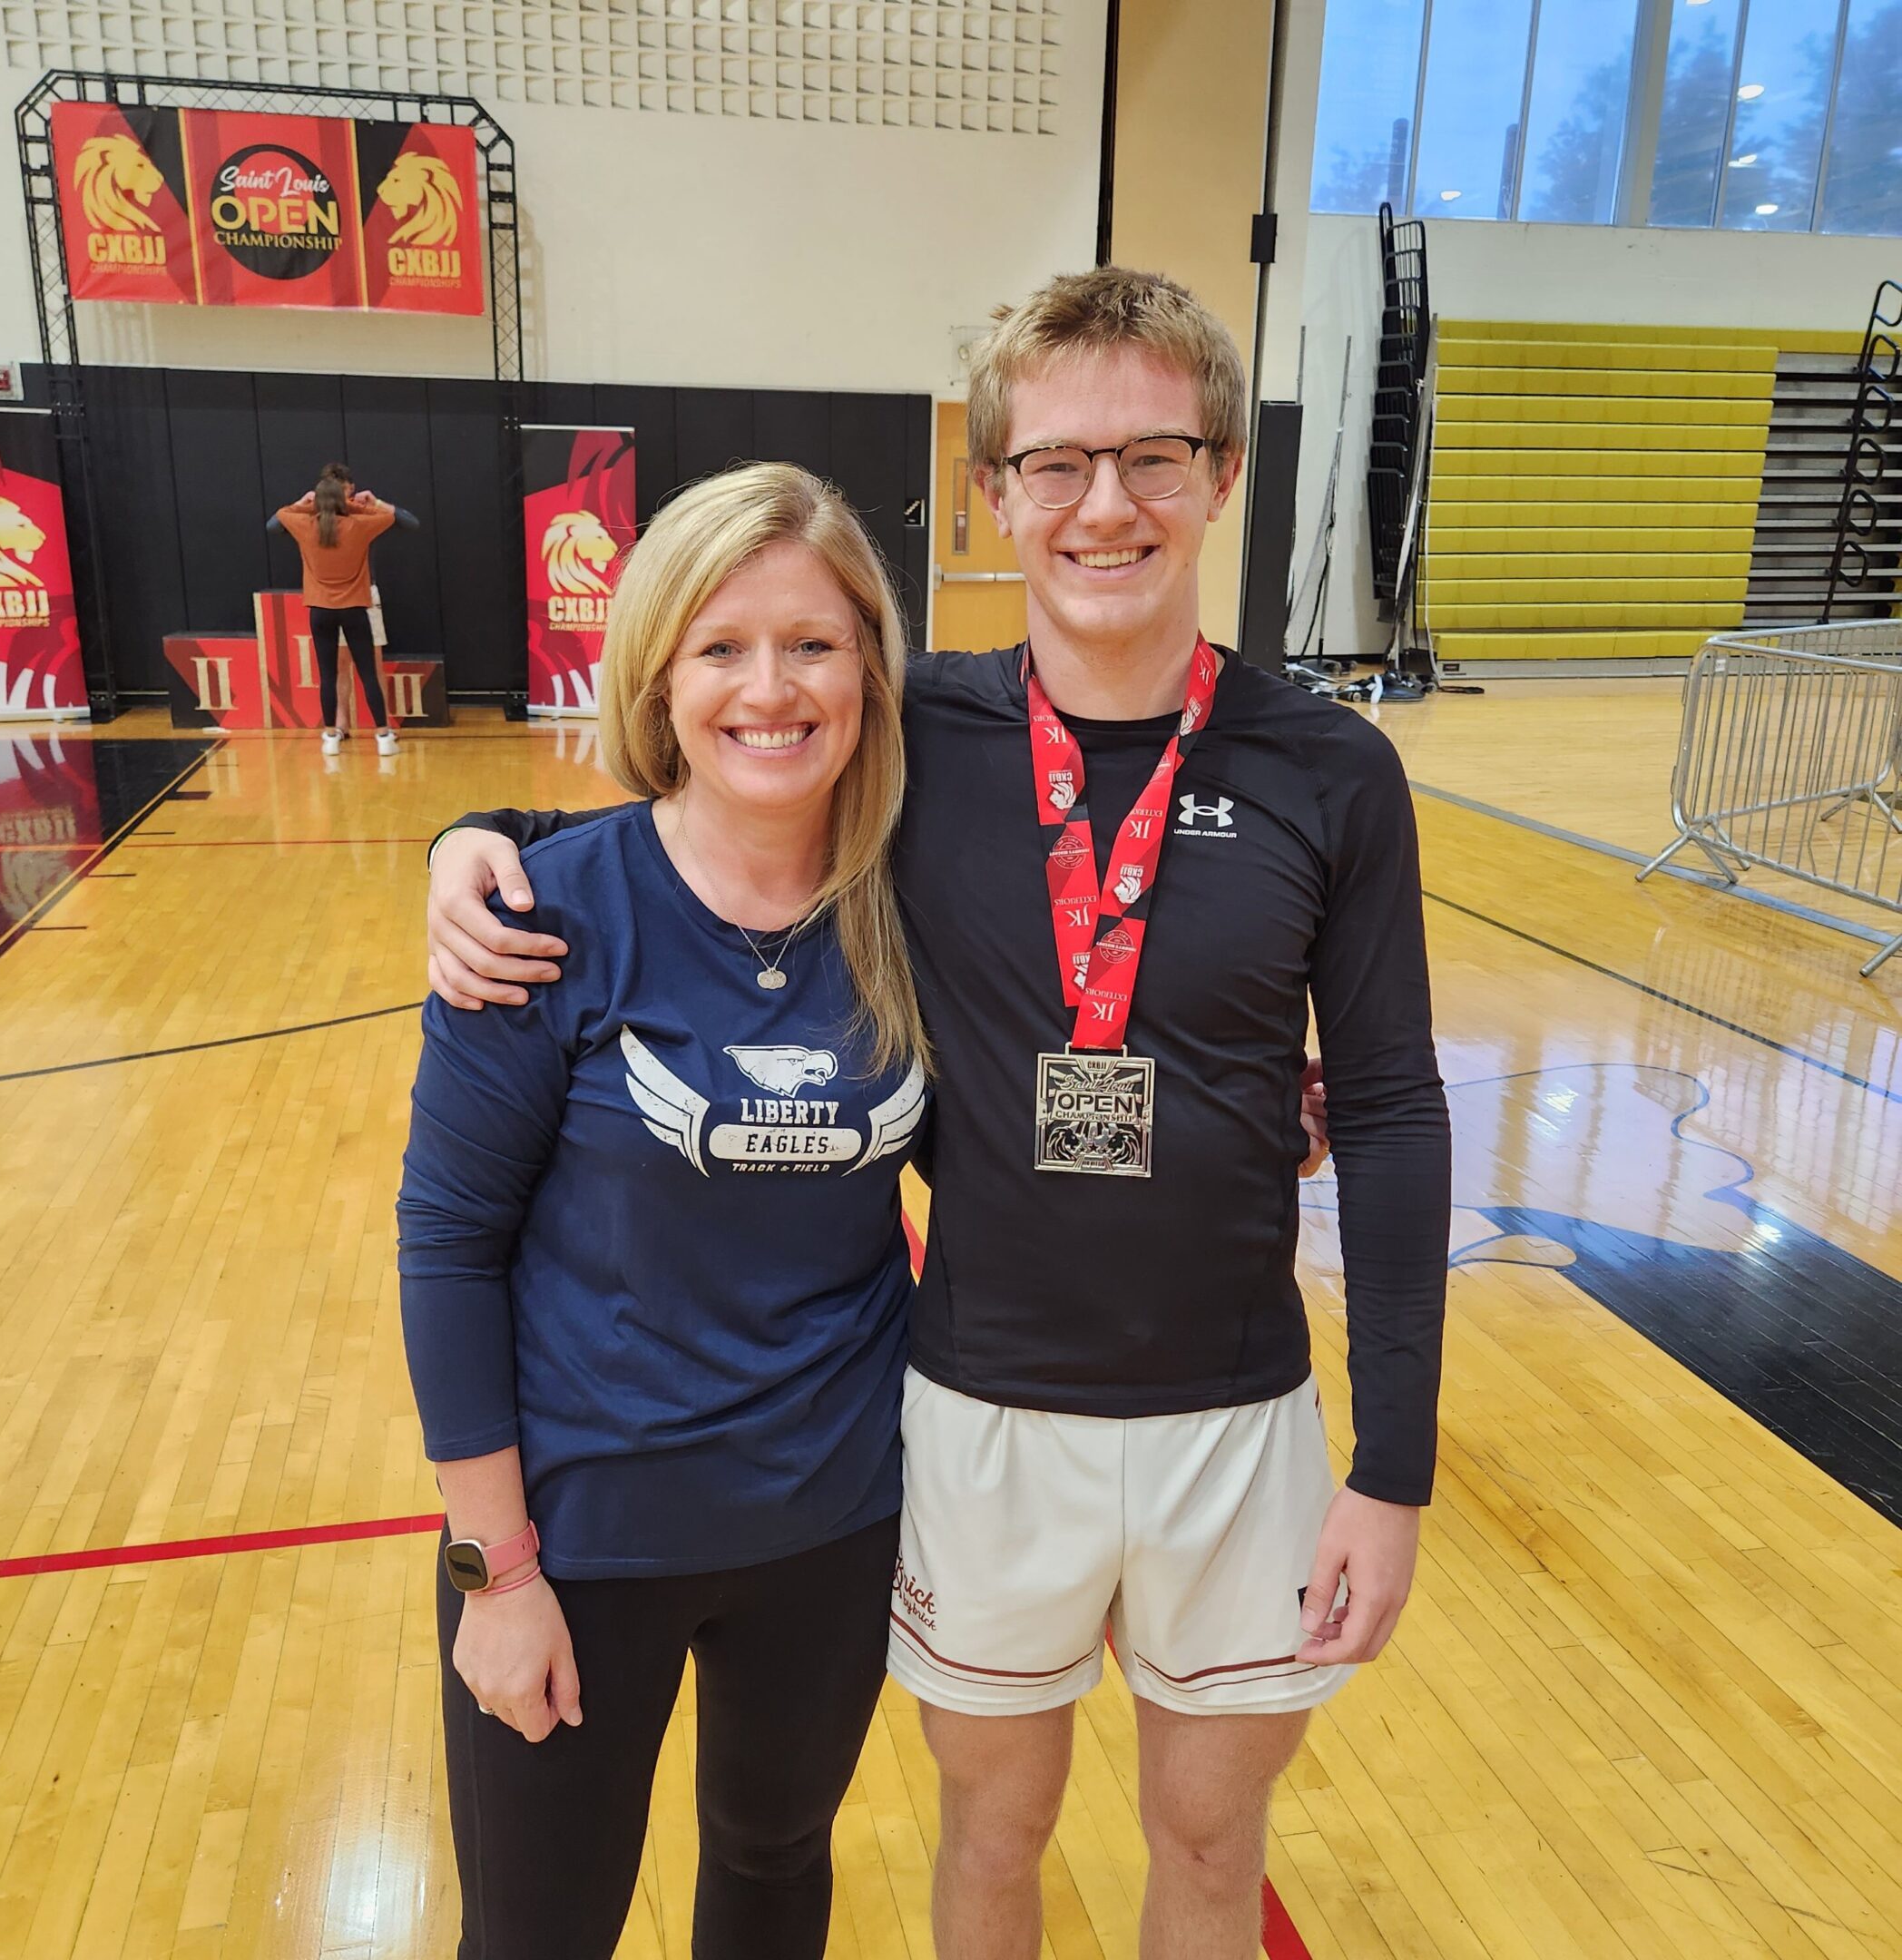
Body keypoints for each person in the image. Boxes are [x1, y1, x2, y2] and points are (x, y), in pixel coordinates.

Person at [426, 268, 1450, 1960]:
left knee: (1210, 1840)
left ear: (1221, 476)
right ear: (992, 492)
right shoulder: (916, 739)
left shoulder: (1334, 771)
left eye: (1154, 458)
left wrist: (1394, 1465)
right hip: (978, 1414)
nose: (1104, 505)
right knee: (994, 1834)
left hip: (1241, 1416)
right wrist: (480, 837)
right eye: (1055, 463)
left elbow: (1397, 1112)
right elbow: (708, 794)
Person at [397, 462, 930, 1960]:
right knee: (539, 1932)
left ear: (871, 668)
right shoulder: (540, 923)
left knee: (773, 1873)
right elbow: (447, 1248)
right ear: (659, 674)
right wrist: (492, 1574)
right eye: (722, 647)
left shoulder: (916, 904)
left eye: (814, 644)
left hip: (833, 1532)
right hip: (580, 1545)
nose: (772, 687)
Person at [270, 463, 417, 757]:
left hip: (322, 608)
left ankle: (329, 738)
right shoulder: (360, 525)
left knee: (329, 674)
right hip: (355, 606)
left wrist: (303, 504)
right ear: (340, 495)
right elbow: (400, 519)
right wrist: (370, 504)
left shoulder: (305, 524)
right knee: (364, 673)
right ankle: (381, 735)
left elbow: (275, 522)